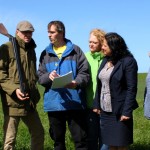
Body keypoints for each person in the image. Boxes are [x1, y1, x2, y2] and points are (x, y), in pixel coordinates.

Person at [38, 20, 89, 150]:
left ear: (61, 33)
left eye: (52, 32)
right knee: (58, 143)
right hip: (54, 104)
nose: (49, 35)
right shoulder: (45, 53)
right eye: (48, 32)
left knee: (81, 141)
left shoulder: (76, 51)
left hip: (74, 103)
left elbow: (85, 73)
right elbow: (40, 77)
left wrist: (76, 83)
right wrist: (48, 77)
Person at [0, 21, 44, 150]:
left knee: (38, 133)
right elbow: (1, 74)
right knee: (9, 140)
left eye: (30, 32)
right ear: (17, 32)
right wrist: (14, 89)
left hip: (28, 101)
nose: (28, 34)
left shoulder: (31, 50)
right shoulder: (6, 48)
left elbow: (32, 74)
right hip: (12, 101)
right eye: (24, 32)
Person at [93, 32, 138, 150]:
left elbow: (131, 88)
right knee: (110, 144)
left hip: (120, 112)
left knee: (122, 145)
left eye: (105, 46)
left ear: (114, 47)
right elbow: (100, 84)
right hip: (105, 112)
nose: (102, 47)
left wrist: (127, 111)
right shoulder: (105, 60)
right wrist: (96, 104)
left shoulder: (128, 61)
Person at [85, 29, 109, 150]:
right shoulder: (85, 57)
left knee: (105, 139)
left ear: (101, 42)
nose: (91, 44)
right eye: (89, 42)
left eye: (94, 42)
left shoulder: (108, 58)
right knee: (91, 137)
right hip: (89, 104)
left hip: (105, 105)